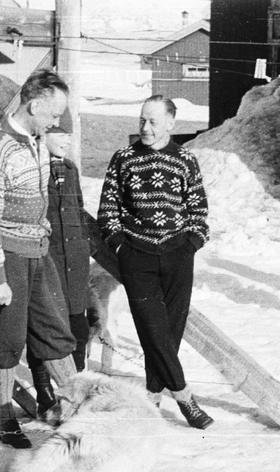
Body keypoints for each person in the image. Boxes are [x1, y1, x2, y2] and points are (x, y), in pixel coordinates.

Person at [0, 69, 80, 449]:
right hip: (8, 255)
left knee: (55, 332)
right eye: (53, 114)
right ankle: (4, 419)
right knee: (7, 339)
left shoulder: (34, 139)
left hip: (38, 252)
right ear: (34, 106)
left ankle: (78, 411)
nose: (56, 122)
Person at [97, 94, 213, 430]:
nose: (145, 128)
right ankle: (185, 398)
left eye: (153, 121)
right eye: (142, 121)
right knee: (152, 327)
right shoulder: (124, 159)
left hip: (178, 255)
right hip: (137, 255)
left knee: (169, 331)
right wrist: (120, 246)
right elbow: (108, 210)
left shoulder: (185, 160)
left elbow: (199, 211)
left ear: (170, 124)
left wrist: (190, 244)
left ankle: (151, 396)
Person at [26, 109, 99, 419]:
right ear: (43, 134)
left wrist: (84, 247)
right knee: (46, 330)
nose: (66, 140)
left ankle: (75, 387)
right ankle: (44, 390)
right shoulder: (34, 171)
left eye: (70, 135)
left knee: (79, 329)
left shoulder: (70, 170)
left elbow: (79, 212)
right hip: (50, 263)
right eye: (60, 133)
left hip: (76, 264)